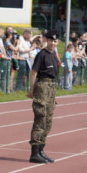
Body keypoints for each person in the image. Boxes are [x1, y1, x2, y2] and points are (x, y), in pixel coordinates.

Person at [26, 30, 61, 164]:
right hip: (42, 86)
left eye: (55, 41)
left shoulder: (53, 54)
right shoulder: (42, 54)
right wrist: (32, 89)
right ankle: (34, 152)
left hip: (51, 87)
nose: (53, 43)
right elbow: (34, 72)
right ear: (46, 40)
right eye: (51, 40)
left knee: (48, 121)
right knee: (40, 118)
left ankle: (41, 150)